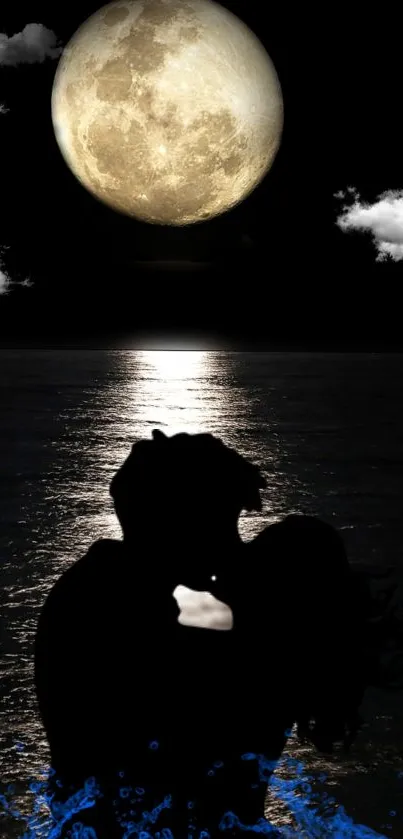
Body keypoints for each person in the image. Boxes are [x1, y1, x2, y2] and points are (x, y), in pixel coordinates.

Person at [34, 429, 267, 837]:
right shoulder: (115, 607)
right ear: (177, 523)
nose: (234, 543)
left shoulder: (116, 586)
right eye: (223, 524)